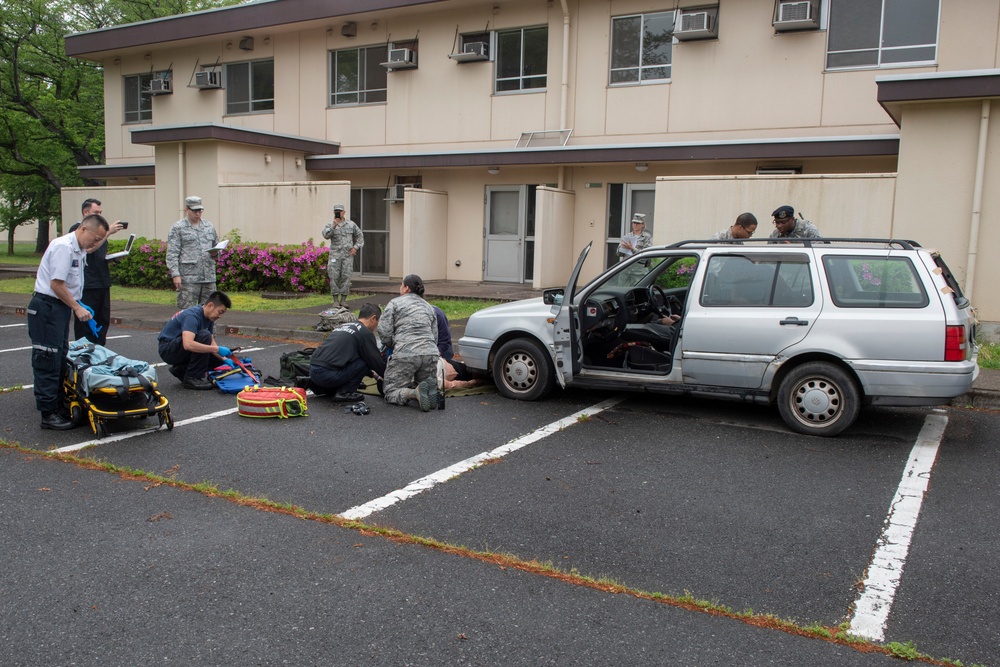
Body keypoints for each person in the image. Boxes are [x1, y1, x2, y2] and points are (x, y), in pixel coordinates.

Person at [28, 214, 109, 429]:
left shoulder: (78, 249)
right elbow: (56, 284)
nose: (96, 243)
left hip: (59, 309)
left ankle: (57, 406)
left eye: (100, 240)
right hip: (48, 307)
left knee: (59, 357)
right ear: (83, 229)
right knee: (47, 359)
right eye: (96, 238)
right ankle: (48, 414)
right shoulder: (64, 247)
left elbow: (86, 256)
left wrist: (75, 304)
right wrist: (77, 307)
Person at [377, 274, 442, 411]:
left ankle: (414, 393)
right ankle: (429, 388)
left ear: (406, 288)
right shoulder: (429, 307)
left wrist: (391, 344)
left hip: (406, 353)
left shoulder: (395, 303)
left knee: (390, 391)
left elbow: (384, 330)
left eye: (401, 285)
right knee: (424, 381)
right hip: (430, 352)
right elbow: (434, 335)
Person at [68, 198, 125, 345]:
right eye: (96, 212)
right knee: (86, 322)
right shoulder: (78, 229)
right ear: (85, 212)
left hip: (102, 281)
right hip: (88, 284)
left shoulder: (100, 233)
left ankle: (100, 351)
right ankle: (84, 352)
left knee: (103, 321)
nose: (99, 215)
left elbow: (96, 253)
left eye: (101, 212)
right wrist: (108, 233)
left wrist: (112, 258)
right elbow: (88, 249)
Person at [309, 303, 386, 402]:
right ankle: (345, 392)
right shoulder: (365, 333)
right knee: (365, 361)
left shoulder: (344, 326)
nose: (377, 325)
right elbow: (376, 362)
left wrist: (374, 375)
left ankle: (313, 384)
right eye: (378, 321)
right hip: (327, 375)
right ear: (373, 318)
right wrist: (390, 378)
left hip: (313, 370)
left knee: (355, 360)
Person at [157, 291, 233, 390]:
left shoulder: (208, 318)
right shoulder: (192, 316)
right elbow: (188, 344)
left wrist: (224, 359)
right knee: (204, 336)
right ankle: (192, 378)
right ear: (210, 305)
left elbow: (211, 343)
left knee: (215, 357)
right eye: (220, 312)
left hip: (179, 348)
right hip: (167, 349)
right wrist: (216, 349)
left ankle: (181, 370)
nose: (220, 316)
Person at [166, 195, 221, 310]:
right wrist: (175, 274)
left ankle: (207, 329)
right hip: (188, 279)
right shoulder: (178, 228)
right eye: (194, 210)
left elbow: (217, 246)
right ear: (187, 209)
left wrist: (215, 253)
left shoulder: (209, 226)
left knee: (210, 312)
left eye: (200, 210)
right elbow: (172, 253)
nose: (198, 214)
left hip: (208, 278)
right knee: (187, 312)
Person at [322, 203, 363, 307]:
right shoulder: (330, 225)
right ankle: (335, 300)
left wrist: (355, 247)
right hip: (335, 256)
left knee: (346, 276)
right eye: (336, 212)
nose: (338, 213)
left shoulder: (351, 224)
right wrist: (333, 226)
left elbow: (360, 236)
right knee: (334, 276)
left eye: (340, 211)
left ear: (344, 212)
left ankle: (343, 299)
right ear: (334, 213)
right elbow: (326, 235)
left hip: (347, 256)